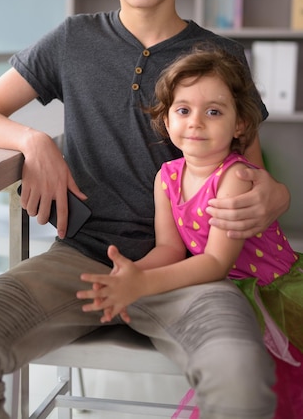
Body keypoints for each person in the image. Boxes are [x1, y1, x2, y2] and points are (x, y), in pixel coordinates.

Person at [0, 0, 290, 419]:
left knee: (242, 376)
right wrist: (34, 141)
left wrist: (274, 197)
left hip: (188, 270)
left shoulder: (220, 55)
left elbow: (254, 179)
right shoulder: (72, 40)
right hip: (81, 260)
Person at [77, 45, 303, 418]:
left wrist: (143, 286)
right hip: (226, 291)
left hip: (271, 291)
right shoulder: (166, 177)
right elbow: (169, 248)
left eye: (213, 112)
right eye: (183, 110)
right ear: (167, 120)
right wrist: (131, 273)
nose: (196, 122)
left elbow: (214, 261)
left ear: (240, 124)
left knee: (276, 394)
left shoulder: (235, 177)